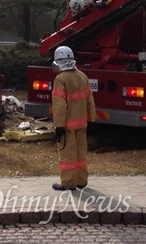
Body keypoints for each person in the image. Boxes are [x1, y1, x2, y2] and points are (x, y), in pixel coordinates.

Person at [51, 46, 96, 191]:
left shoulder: (61, 79)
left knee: (67, 154)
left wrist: (58, 126)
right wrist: (92, 118)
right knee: (81, 153)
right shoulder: (82, 76)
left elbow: (59, 105)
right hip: (82, 123)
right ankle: (81, 180)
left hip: (67, 125)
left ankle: (68, 183)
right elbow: (90, 99)